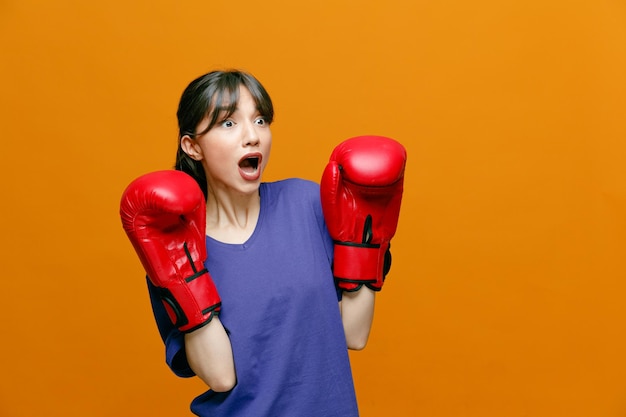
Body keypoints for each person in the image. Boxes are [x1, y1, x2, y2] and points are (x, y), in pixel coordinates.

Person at [120, 70, 406, 416]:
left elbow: (354, 335)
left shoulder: (309, 205)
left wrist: (366, 245)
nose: (252, 136)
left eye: (259, 120)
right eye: (228, 124)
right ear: (192, 147)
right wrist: (182, 278)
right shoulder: (172, 243)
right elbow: (220, 377)